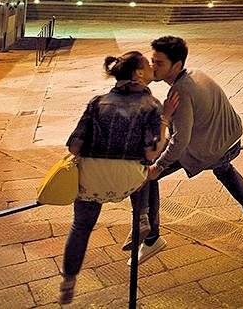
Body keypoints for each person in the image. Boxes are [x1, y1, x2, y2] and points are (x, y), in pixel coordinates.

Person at [133, 35, 243, 262]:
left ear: (176, 65)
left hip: (208, 151)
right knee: (224, 168)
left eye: (159, 63)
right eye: (152, 61)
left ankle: (151, 237)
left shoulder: (178, 93)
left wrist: (158, 166)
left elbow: (180, 141)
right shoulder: (197, 73)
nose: (153, 67)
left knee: (143, 175)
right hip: (231, 142)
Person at [59, 52, 177, 305]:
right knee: (148, 172)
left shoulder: (97, 102)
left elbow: (74, 147)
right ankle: (142, 217)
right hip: (128, 181)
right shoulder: (152, 105)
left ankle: (68, 280)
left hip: (92, 181)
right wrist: (165, 119)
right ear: (138, 74)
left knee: (80, 227)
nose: (152, 67)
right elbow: (151, 152)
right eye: (147, 65)